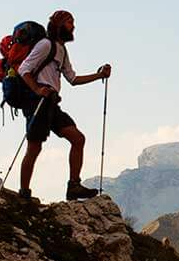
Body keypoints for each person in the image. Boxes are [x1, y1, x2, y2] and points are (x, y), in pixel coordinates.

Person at [17, 10, 111, 201]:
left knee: (78, 138)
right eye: (69, 22)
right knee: (34, 147)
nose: (73, 26)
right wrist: (36, 89)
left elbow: (72, 79)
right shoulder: (45, 45)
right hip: (39, 101)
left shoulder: (62, 50)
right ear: (59, 25)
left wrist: (99, 75)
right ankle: (24, 193)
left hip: (51, 102)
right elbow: (23, 69)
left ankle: (74, 186)